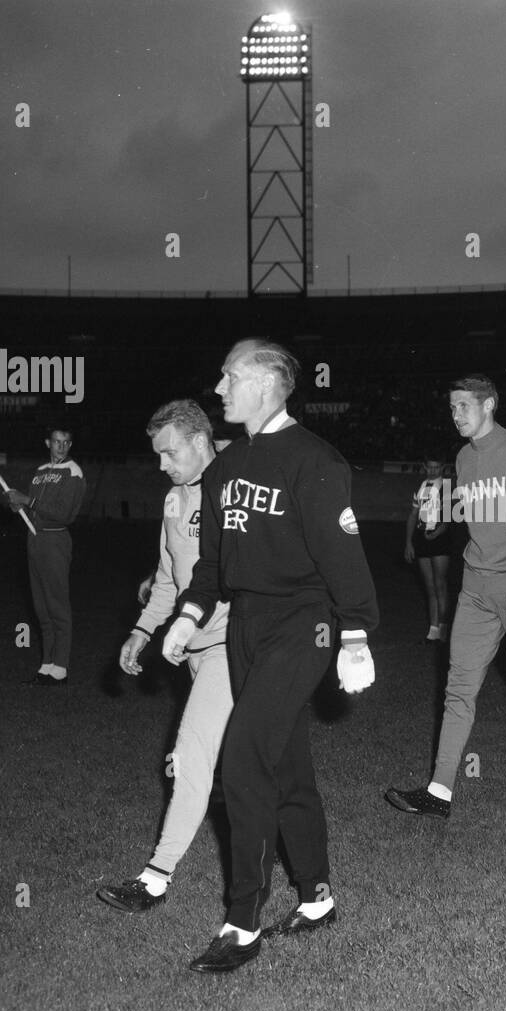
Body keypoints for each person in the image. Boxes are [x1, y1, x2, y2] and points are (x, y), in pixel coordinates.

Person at [165, 338, 379, 974]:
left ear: (265, 384)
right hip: (247, 626)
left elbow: (344, 557)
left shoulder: (315, 460)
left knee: (243, 760)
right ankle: (316, 897)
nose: (220, 387)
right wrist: (186, 615)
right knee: (285, 767)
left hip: (303, 624)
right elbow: (212, 566)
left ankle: (242, 922)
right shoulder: (226, 469)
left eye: (230, 376)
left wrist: (357, 634)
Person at [384, 374, 506, 815]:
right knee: (458, 688)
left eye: (463, 406)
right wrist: (436, 514)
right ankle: (439, 791)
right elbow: (473, 513)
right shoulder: (463, 458)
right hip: (476, 592)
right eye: (451, 407)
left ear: (489, 406)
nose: (455, 414)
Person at [97, 400, 234, 913]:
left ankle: (155, 876)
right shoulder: (175, 499)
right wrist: (140, 631)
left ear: (201, 442)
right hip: (191, 651)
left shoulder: (236, 489)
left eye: (169, 453)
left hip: (232, 647)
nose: (162, 465)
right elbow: (169, 579)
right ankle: (312, 887)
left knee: (189, 754)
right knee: (252, 768)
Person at [4, 428, 86, 685]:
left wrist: (27, 500)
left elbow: (63, 514)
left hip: (55, 540)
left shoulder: (73, 472)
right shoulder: (40, 472)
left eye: (65, 443)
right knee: (41, 605)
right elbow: (32, 509)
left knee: (56, 604)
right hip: (35, 538)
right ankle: (47, 663)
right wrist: (17, 506)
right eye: (56, 442)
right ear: (48, 443)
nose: (61, 447)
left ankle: (60, 665)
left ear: (70, 445)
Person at [403, 457, 453, 642]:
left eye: (437, 467)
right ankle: (433, 629)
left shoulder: (446, 487)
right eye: (430, 467)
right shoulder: (421, 486)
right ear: (424, 467)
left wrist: (436, 533)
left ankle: (443, 627)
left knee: (440, 584)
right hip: (422, 539)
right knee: (429, 586)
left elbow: (447, 519)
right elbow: (413, 515)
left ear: (443, 467)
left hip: (439, 539)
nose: (433, 471)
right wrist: (409, 542)